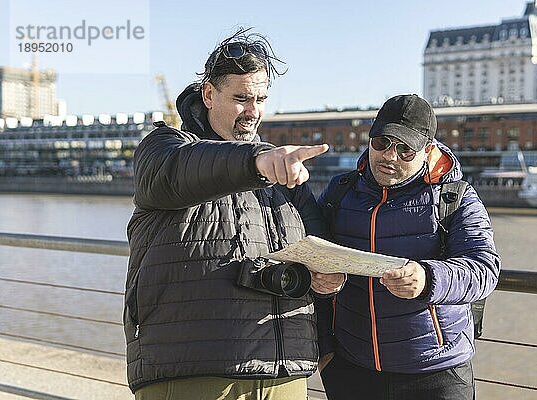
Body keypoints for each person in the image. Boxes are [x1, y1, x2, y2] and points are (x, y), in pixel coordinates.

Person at [123, 28, 343, 400]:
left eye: (260, 99)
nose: (253, 112)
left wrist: (329, 278)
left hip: (284, 373)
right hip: (194, 370)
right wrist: (256, 160)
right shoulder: (163, 149)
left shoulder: (281, 170)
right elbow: (183, 170)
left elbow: (319, 247)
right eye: (241, 98)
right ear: (208, 94)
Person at [315, 94, 501, 400]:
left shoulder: (455, 198)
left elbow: (484, 270)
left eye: (405, 150)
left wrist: (428, 278)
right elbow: (309, 252)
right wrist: (326, 354)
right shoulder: (340, 191)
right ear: (370, 138)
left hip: (437, 375)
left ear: (427, 151)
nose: (390, 156)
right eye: (382, 143)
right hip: (351, 369)